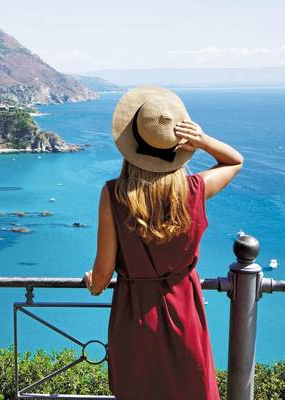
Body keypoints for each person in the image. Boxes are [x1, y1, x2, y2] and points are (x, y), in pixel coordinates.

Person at [83, 86, 243, 399]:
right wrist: (202, 139)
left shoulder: (114, 195)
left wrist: (94, 283)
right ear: (179, 148)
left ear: (130, 146)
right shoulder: (194, 190)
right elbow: (234, 161)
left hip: (135, 317)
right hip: (185, 312)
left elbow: (102, 273)